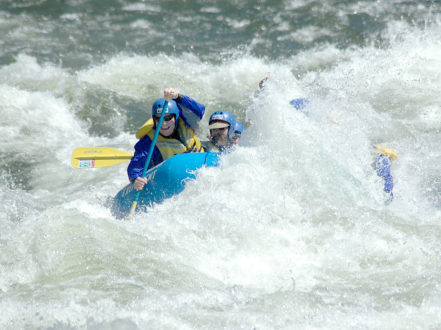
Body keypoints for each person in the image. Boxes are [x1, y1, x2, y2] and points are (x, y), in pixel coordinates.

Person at [128, 88, 205, 191]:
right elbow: (137, 164)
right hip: (173, 182)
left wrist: (179, 97)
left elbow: (199, 110)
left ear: (176, 117)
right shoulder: (149, 142)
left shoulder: (187, 122)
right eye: (158, 119)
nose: (163, 123)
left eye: (168, 118)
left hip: (203, 170)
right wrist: (136, 178)